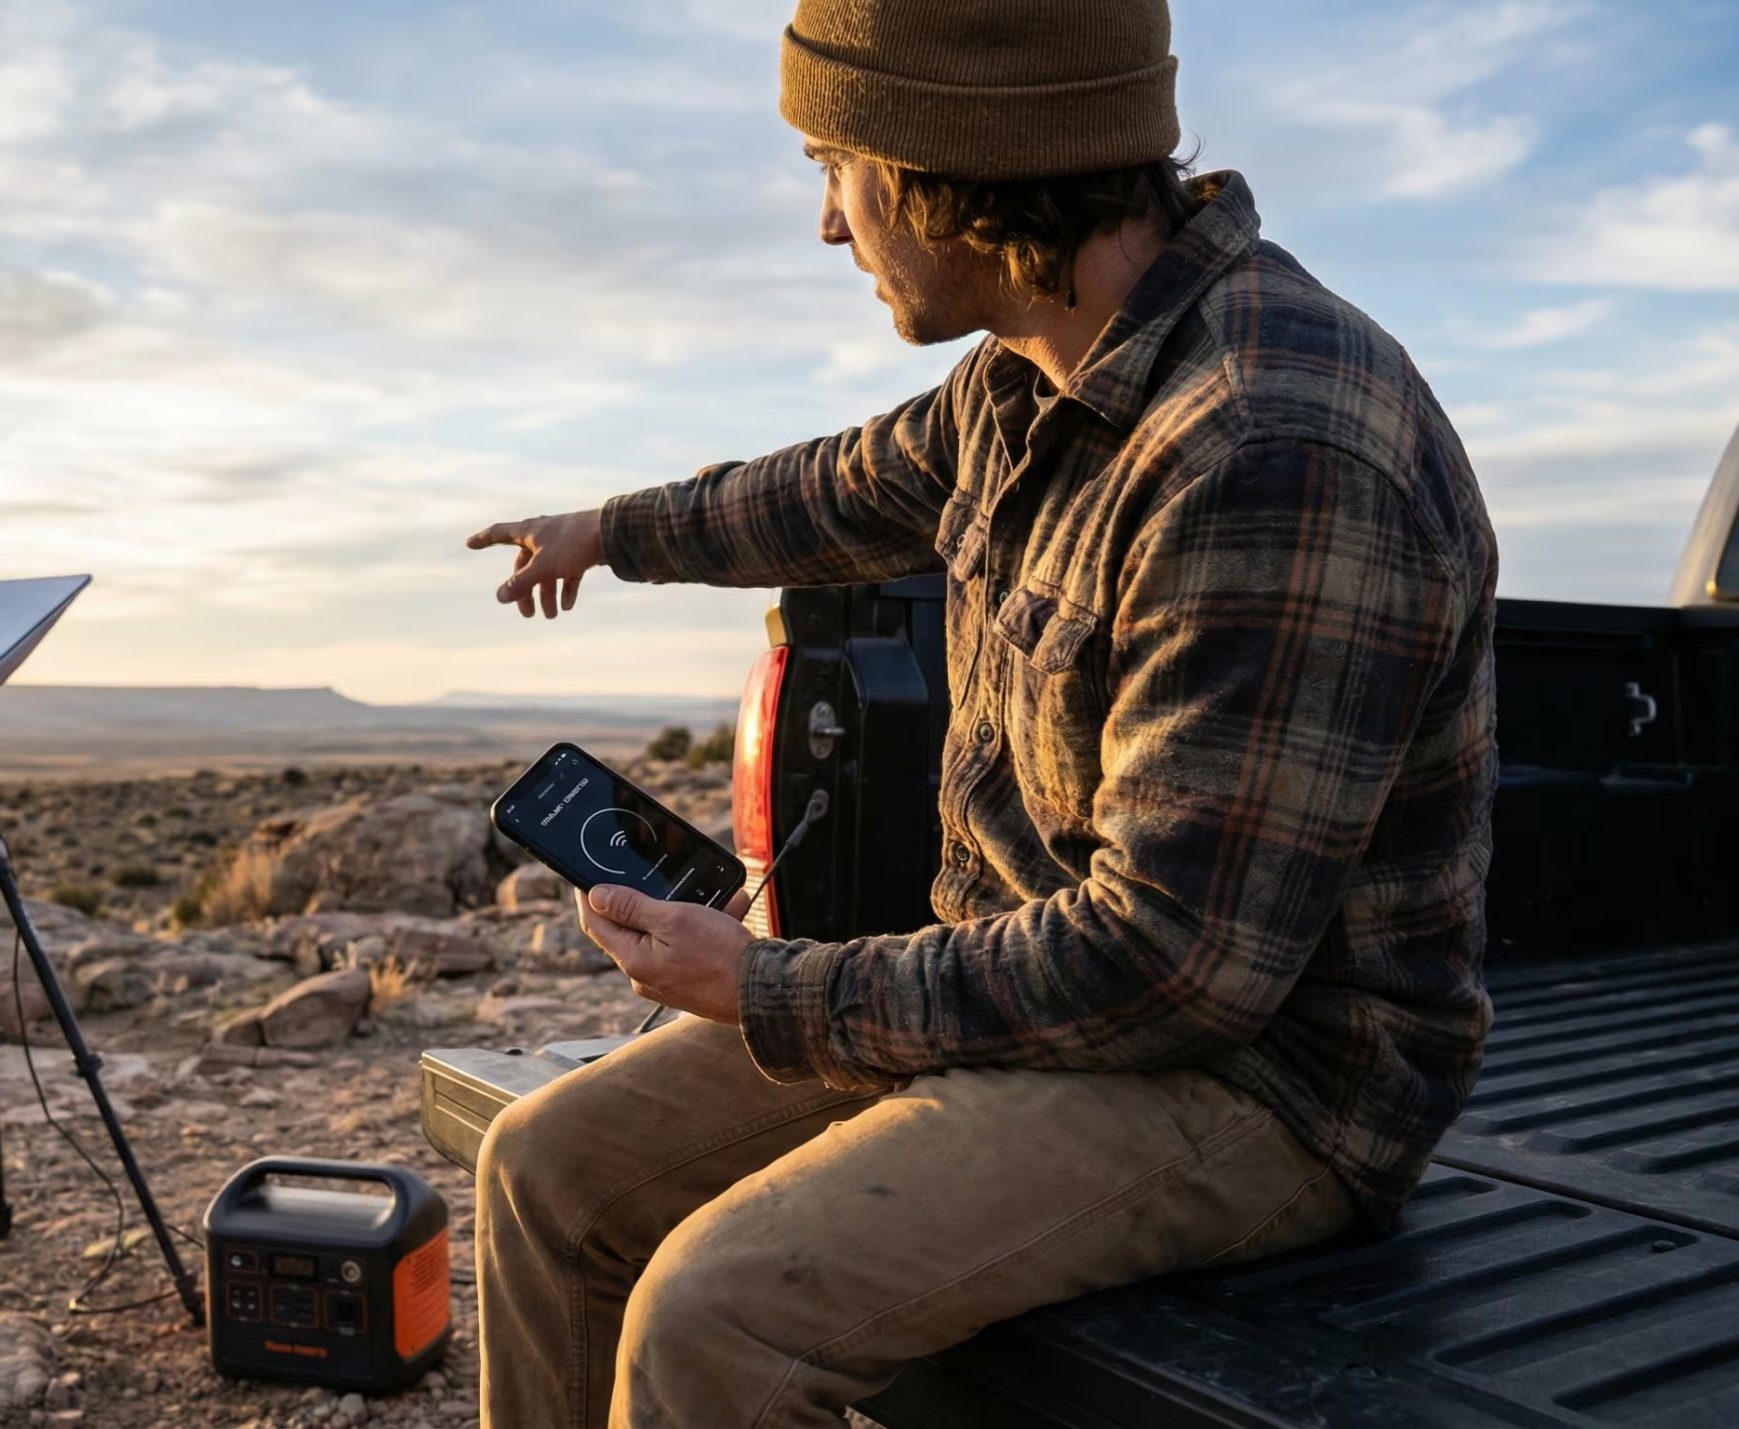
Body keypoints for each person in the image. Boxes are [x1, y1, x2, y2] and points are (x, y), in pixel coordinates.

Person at [460, 1, 1500, 1425]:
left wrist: (768, 987)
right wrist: (608, 530)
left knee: (717, 1313)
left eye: (838, 166)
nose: (831, 226)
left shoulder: (1265, 448)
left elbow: (1172, 969)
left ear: (959, 159)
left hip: (1264, 1084)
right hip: (1024, 1006)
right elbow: (827, 489)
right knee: (545, 1171)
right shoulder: (1023, 375)